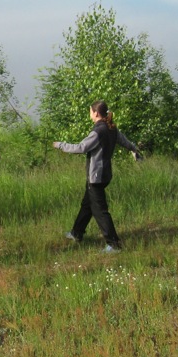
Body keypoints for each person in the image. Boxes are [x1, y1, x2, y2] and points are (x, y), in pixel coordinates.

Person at [52, 100, 140, 252]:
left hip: (96, 177)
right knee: (87, 205)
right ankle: (76, 233)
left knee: (100, 210)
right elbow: (125, 142)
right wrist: (135, 150)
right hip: (105, 175)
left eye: (90, 112)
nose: (90, 114)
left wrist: (60, 145)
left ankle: (114, 244)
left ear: (96, 113)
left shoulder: (98, 131)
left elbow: (81, 147)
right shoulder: (112, 128)